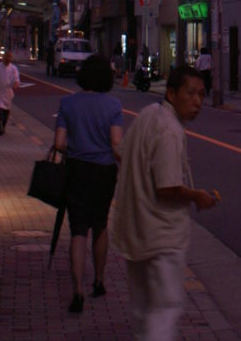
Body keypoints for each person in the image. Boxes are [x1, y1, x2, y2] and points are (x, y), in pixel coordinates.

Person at [112, 66, 217, 341]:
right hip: (162, 236)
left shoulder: (147, 115)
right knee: (164, 310)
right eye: (190, 93)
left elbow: (120, 153)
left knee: (142, 311)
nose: (197, 102)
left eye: (201, 95)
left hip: (135, 231)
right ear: (171, 93)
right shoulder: (171, 130)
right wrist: (197, 196)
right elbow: (167, 187)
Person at [54, 53, 124, 315]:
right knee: (101, 224)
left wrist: (74, 148)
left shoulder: (68, 104)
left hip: (76, 170)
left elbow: (59, 143)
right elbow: (117, 145)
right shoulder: (113, 106)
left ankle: (77, 292)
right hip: (104, 171)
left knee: (78, 231)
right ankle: (99, 281)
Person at [0, 49, 20, 135]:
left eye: (10, 57)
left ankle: (3, 126)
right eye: (7, 57)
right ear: (3, 57)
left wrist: (15, 85)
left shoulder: (13, 69)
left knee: (6, 112)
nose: (8, 59)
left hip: (8, 93)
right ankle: (0, 127)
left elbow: (16, 80)